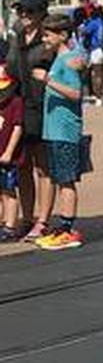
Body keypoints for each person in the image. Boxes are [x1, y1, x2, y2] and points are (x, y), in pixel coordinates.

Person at [36, 9, 87, 249]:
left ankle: (68, 229)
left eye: (48, 35)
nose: (44, 39)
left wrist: (48, 80)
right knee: (59, 178)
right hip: (55, 129)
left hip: (65, 130)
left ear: (62, 35)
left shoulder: (68, 60)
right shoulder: (63, 58)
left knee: (66, 180)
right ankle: (64, 225)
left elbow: (76, 94)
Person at [6, 0, 54, 239]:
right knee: (22, 165)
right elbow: (10, 69)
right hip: (20, 107)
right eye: (20, 11)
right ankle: (27, 217)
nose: (23, 15)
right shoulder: (16, 38)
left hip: (43, 108)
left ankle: (43, 220)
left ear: (40, 14)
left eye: (29, 11)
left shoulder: (48, 40)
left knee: (42, 167)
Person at [0, 65, 25, 240]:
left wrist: (9, 151)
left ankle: (10, 225)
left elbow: (17, 128)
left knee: (9, 191)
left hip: (8, 155)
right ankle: (3, 221)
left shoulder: (15, 102)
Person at [79, 3, 103, 105]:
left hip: (97, 50)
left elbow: (84, 32)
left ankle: (98, 98)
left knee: (97, 75)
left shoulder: (94, 22)